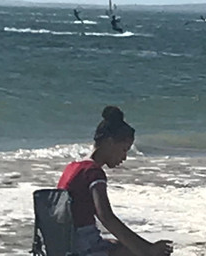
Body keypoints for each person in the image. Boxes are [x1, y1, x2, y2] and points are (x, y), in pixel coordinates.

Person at [57, 106, 174, 256]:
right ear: (110, 142)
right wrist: (146, 249)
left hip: (67, 243)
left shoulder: (72, 167)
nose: (124, 157)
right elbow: (106, 217)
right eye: (124, 149)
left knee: (122, 247)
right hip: (83, 247)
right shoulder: (93, 173)